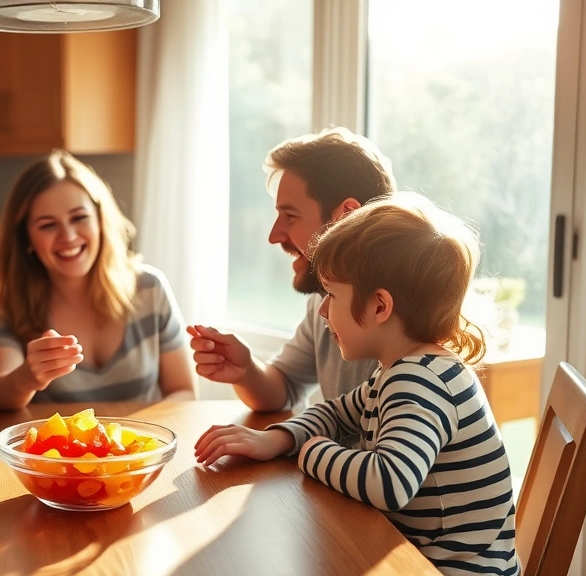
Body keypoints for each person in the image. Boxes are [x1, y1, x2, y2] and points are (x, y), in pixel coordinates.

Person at [195, 194, 519, 575]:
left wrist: (311, 451)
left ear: (379, 306)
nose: (321, 309)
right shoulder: (406, 370)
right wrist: (276, 439)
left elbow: (390, 481)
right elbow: (336, 413)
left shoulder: (419, 381)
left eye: (331, 294)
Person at [188, 127, 396, 411]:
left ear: (346, 216)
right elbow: (284, 386)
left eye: (291, 216)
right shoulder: (323, 301)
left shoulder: (408, 316)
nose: (274, 236)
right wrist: (246, 371)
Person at [0, 149, 196, 409]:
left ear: (100, 221)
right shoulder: (7, 307)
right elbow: (0, 397)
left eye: (79, 218)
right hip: (58, 451)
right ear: (25, 238)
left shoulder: (150, 288)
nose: (69, 236)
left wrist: (132, 439)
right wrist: (28, 376)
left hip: (141, 446)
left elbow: (184, 392)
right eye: (47, 225)